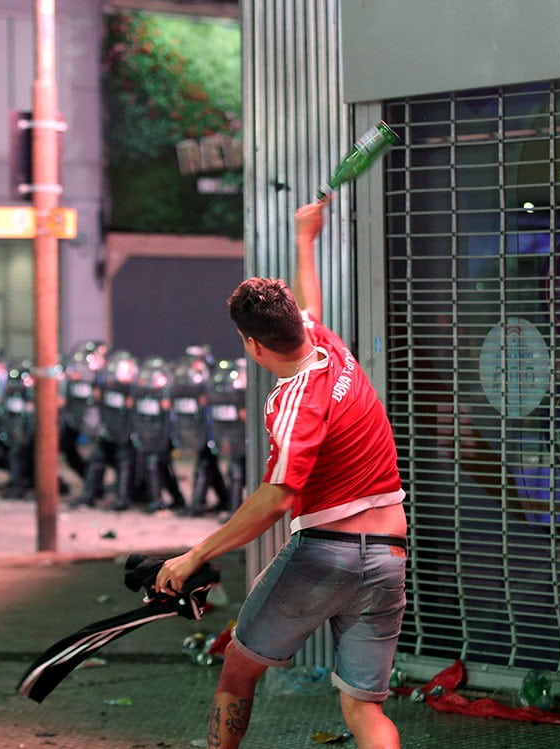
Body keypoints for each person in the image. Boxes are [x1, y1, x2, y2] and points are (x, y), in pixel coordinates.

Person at [156, 200, 408, 749]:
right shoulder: (325, 345)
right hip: (389, 555)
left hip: (327, 552)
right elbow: (309, 301)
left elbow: (275, 498)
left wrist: (197, 554)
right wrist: (304, 239)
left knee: (238, 671)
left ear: (253, 345)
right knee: (364, 709)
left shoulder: (295, 403)